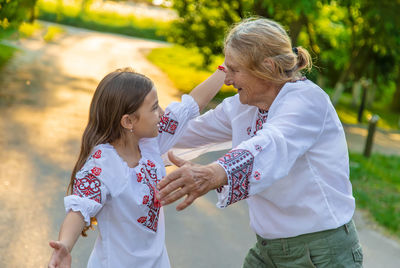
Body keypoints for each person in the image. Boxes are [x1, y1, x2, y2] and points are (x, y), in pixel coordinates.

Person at [157, 17, 363, 267]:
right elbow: (185, 134)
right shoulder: (242, 107)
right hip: (268, 251)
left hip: (320, 254)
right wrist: (125, 140)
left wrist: (213, 173)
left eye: (233, 69)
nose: (228, 80)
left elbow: (271, 144)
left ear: (266, 67)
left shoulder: (307, 101)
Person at [47, 67, 225, 268]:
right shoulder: (102, 164)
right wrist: (64, 245)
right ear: (128, 121)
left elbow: (192, 105)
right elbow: (78, 211)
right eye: (154, 107)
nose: (161, 112)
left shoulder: (151, 143)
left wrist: (226, 68)